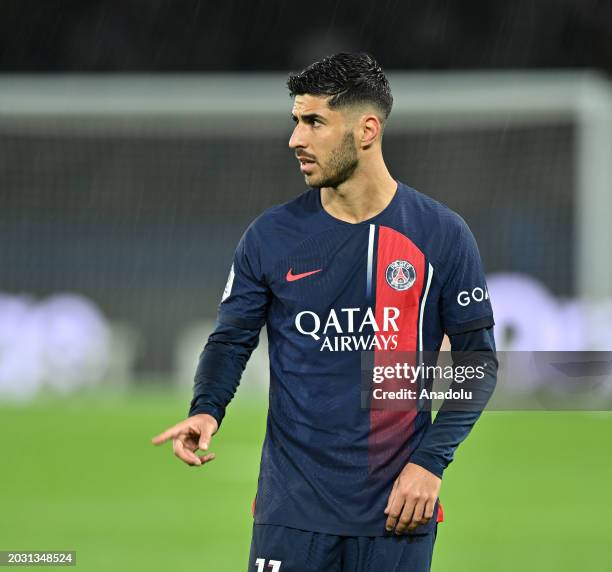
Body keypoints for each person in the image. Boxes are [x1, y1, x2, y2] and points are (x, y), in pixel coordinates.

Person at [152, 52, 497, 572]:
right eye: (296, 121)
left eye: (314, 122)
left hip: (397, 511)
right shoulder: (270, 237)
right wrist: (207, 408)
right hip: (290, 512)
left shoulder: (441, 236)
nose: (296, 139)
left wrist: (430, 463)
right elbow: (231, 339)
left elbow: (479, 363)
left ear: (367, 130)